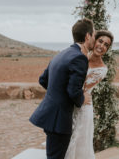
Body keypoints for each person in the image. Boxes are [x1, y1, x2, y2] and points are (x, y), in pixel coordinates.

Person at [29, 18, 95, 159]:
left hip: (50, 114)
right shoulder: (79, 58)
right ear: (87, 36)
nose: (94, 39)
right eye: (94, 35)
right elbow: (73, 91)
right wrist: (82, 99)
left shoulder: (62, 53)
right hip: (59, 119)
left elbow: (43, 79)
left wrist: (57, 94)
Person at [65, 30, 114, 159]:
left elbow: (82, 86)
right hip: (70, 103)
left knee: (79, 139)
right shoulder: (81, 56)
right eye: (100, 41)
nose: (102, 46)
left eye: (106, 45)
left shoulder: (102, 69)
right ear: (94, 41)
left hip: (83, 106)